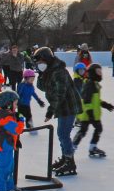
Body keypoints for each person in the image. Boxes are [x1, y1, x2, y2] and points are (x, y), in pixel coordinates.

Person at [33, 46, 83, 177]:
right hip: (62, 106)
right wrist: (41, 75)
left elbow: (59, 94)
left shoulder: (59, 72)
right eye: (38, 64)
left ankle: (69, 162)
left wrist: (50, 111)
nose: (39, 65)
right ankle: (65, 158)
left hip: (68, 106)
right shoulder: (49, 71)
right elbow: (42, 87)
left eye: (40, 63)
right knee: (62, 134)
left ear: (47, 60)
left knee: (63, 134)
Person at [73, 63, 114, 157]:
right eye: (98, 72)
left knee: (97, 129)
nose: (100, 74)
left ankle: (92, 147)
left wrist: (105, 105)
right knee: (83, 131)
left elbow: (95, 99)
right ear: (92, 73)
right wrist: (90, 114)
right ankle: (72, 147)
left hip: (93, 113)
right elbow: (86, 101)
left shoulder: (95, 84)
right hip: (87, 114)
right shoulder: (89, 85)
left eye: (100, 71)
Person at [0, 89, 25, 191]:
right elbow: (16, 129)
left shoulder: (6, 114)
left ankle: (9, 188)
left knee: (9, 168)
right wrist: (21, 120)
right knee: (4, 169)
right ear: (8, 104)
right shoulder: (4, 117)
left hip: (7, 146)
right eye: (15, 103)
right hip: (3, 148)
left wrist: (15, 142)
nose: (16, 106)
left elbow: (11, 133)